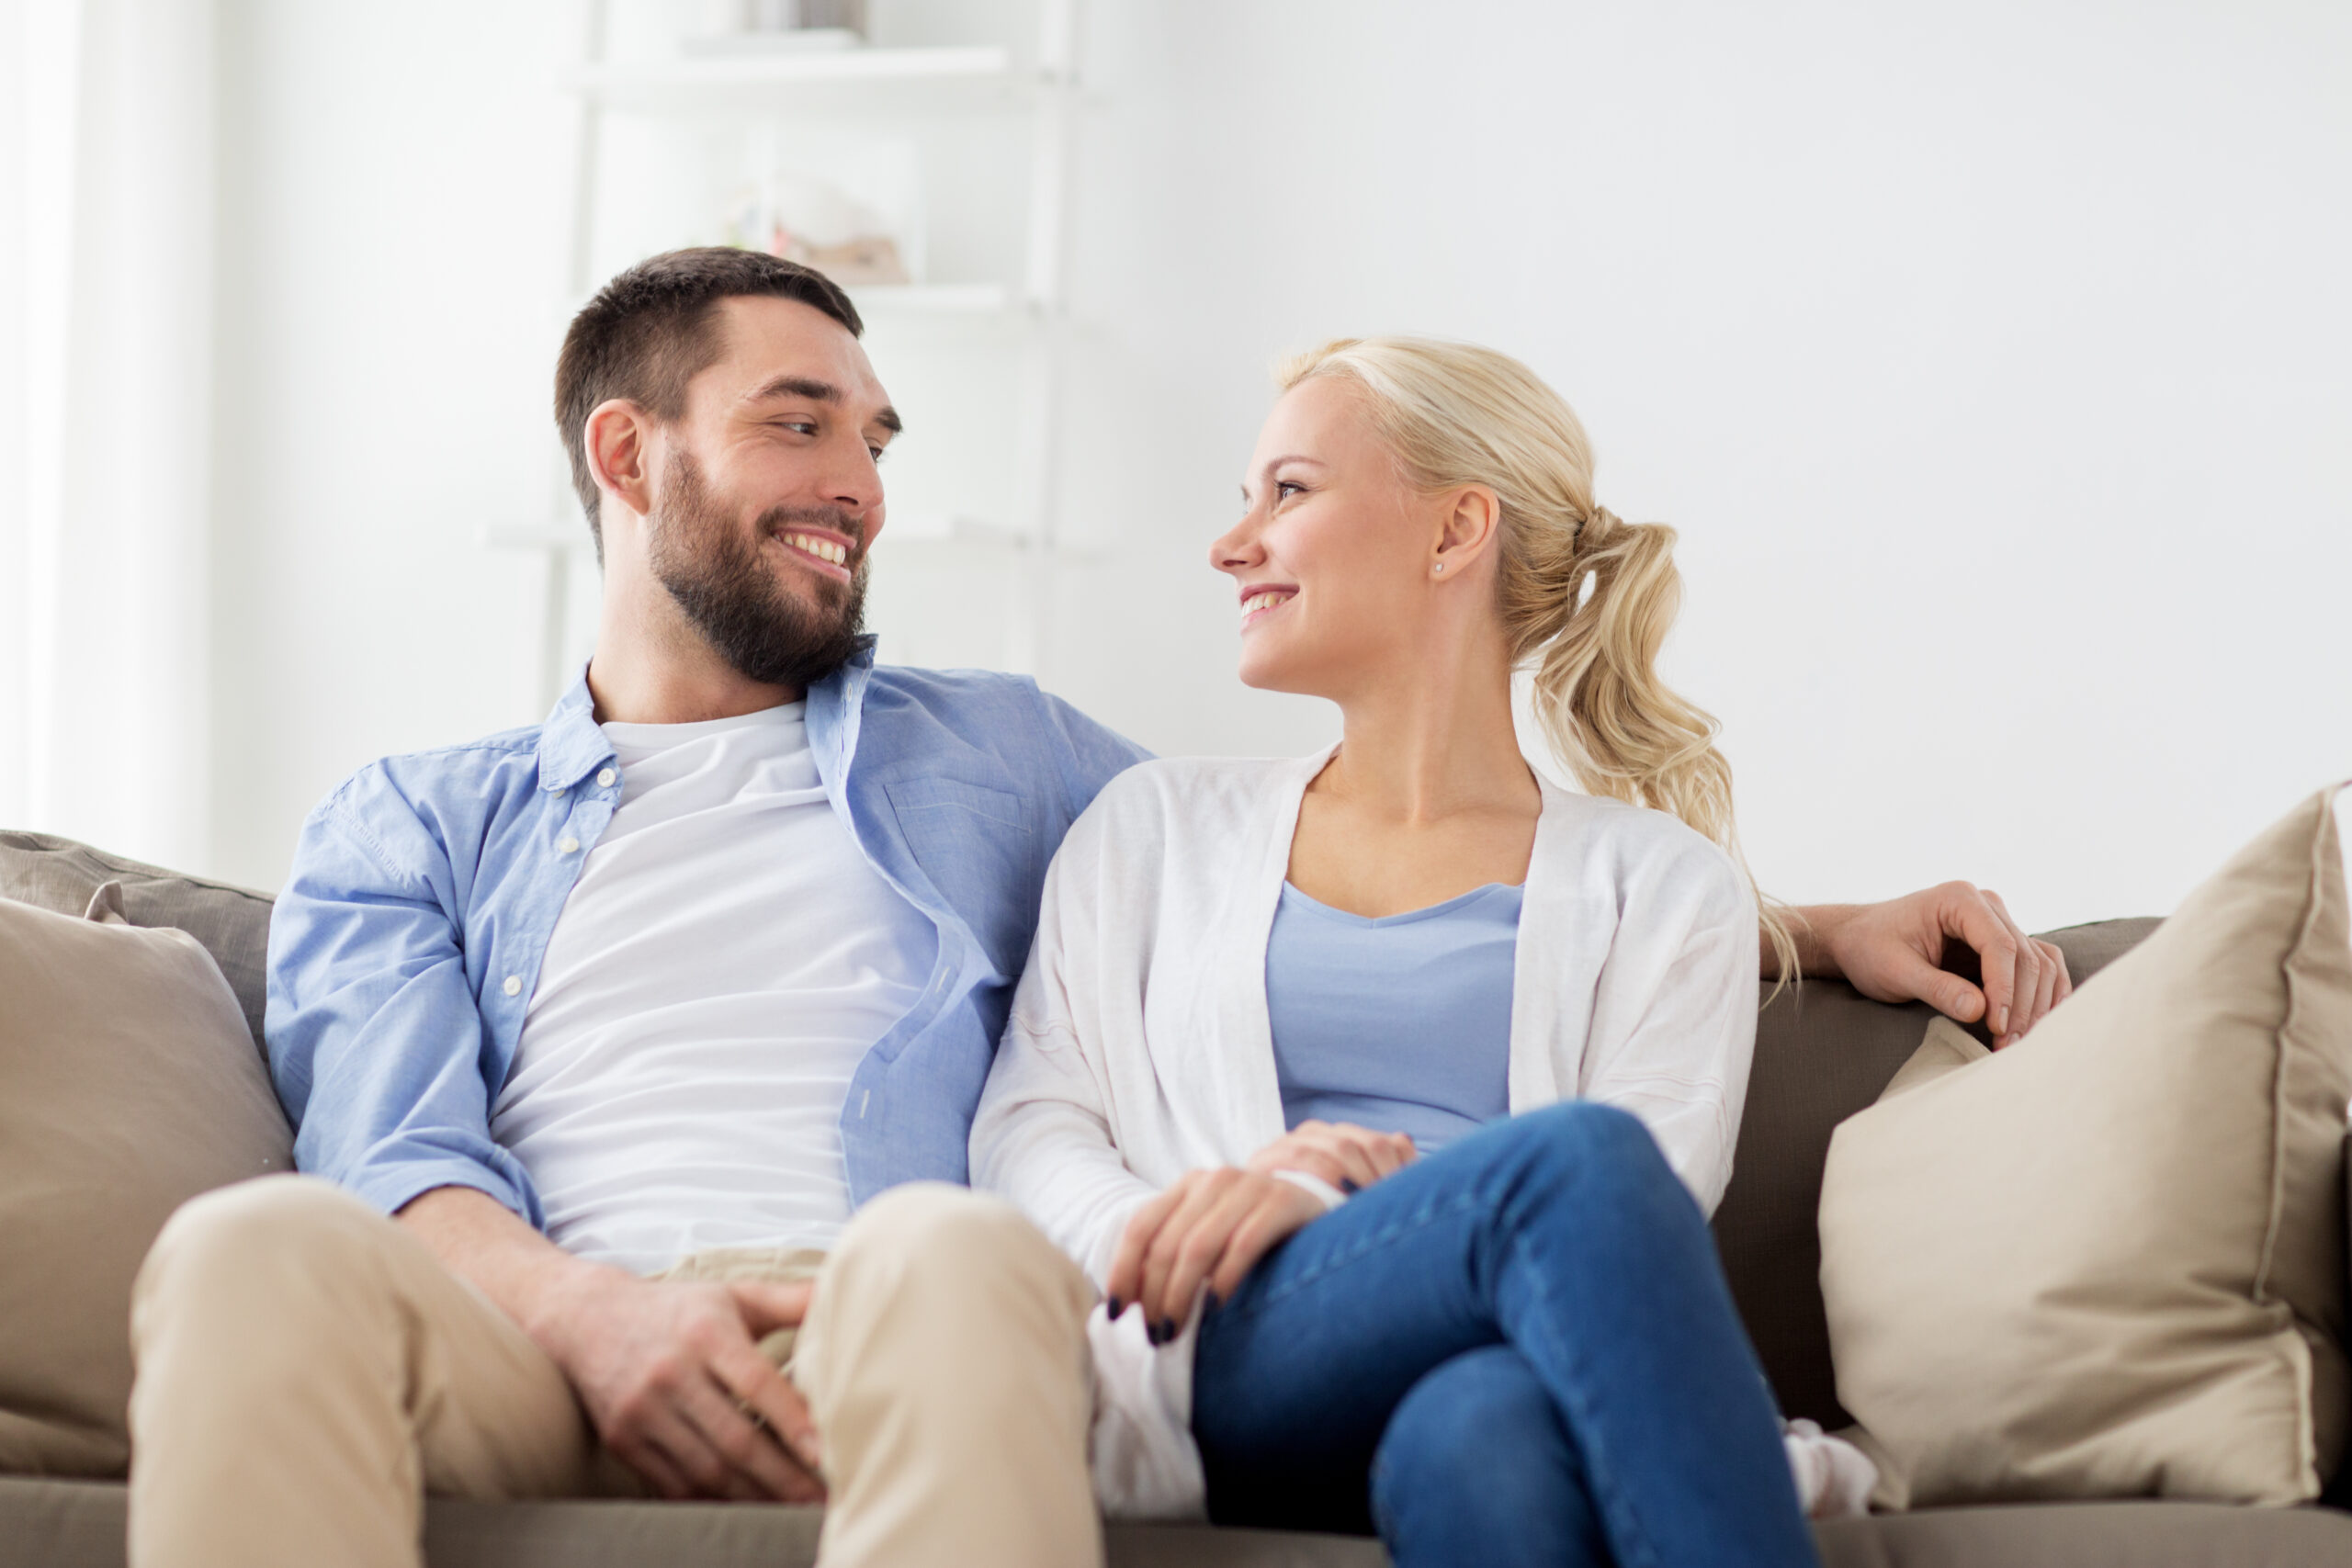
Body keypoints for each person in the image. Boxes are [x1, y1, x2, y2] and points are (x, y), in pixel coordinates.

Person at [126, 250, 2065, 1568]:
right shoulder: (408, 819)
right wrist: (600, 1313)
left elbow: (1390, 841)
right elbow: (398, 1156)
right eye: (804, 423)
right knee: (248, 1246)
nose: (861, 486)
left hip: (883, 1301)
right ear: (629, 457)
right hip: (539, 1324)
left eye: (877, 443)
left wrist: (1797, 925)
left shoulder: (1006, 758)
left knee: (1025, 1276)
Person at [971, 337, 1939, 1566]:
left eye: (1290, 491)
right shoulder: (1155, 829)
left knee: (1486, 1438)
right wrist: (1183, 1229)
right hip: (1219, 1339)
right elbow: (1028, 1127)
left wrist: (1334, 1184)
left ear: (1453, 531)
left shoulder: (1664, 888)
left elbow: (1652, 1207)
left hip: (1504, 1363)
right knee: (1572, 1164)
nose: (1232, 544)